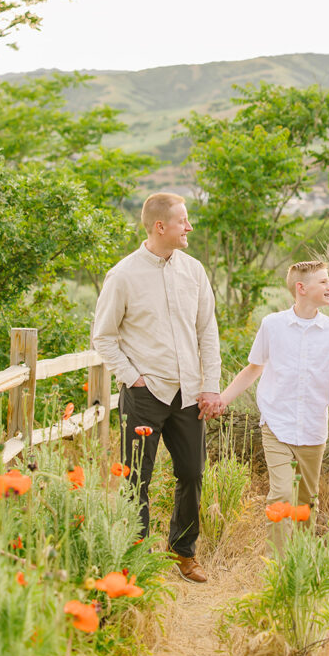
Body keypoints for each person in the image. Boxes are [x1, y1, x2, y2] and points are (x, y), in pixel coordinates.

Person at [93, 192, 221, 584]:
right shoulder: (124, 275)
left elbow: (207, 331)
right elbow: (103, 337)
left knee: (193, 472)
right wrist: (133, 377)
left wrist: (211, 386)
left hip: (189, 393)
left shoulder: (194, 271)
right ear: (160, 226)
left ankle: (183, 552)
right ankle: (134, 558)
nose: (190, 227)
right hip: (145, 395)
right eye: (184, 221)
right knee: (136, 478)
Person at [217, 260, 329, 554]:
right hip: (276, 426)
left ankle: (299, 563)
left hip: (314, 430)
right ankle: (275, 567)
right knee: (280, 495)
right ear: (301, 288)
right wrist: (223, 399)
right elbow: (253, 369)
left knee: (306, 502)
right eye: (324, 282)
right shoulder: (272, 325)